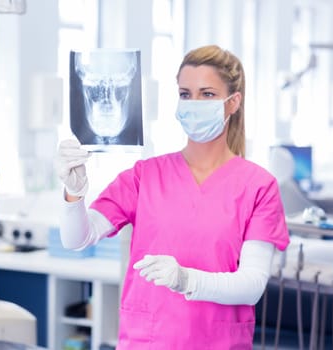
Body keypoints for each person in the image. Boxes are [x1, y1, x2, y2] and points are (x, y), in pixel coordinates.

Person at [56, 45, 290, 349]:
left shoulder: (259, 186)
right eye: (185, 94)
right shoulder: (145, 176)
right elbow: (76, 238)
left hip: (217, 342)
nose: (193, 103)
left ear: (233, 103)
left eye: (207, 94)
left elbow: (252, 286)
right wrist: (73, 194)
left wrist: (187, 280)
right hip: (148, 341)